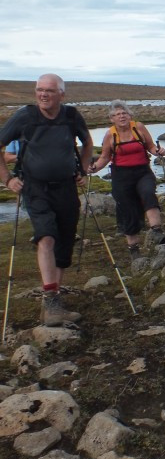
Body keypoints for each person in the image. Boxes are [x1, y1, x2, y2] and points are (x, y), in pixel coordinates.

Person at [0, 74, 93, 325]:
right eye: (39, 90)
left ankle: (52, 302)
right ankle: (51, 302)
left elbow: (87, 143)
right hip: (35, 188)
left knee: (64, 242)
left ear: (61, 94)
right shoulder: (24, 116)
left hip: (66, 188)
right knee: (47, 236)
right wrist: (7, 179)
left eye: (49, 91)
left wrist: (83, 170)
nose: (43, 94)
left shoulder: (71, 116)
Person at [89, 101, 165, 257]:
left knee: (148, 193)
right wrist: (94, 168)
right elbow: (105, 157)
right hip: (121, 176)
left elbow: (150, 146)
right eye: (117, 114)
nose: (122, 116)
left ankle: (157, 231)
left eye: (124, 113)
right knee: (128, 209)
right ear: (112, 119)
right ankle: (133, 248)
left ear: (129, 115)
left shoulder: (138, 127)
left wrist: (158, 151)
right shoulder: (110, 134)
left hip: (142, 171)